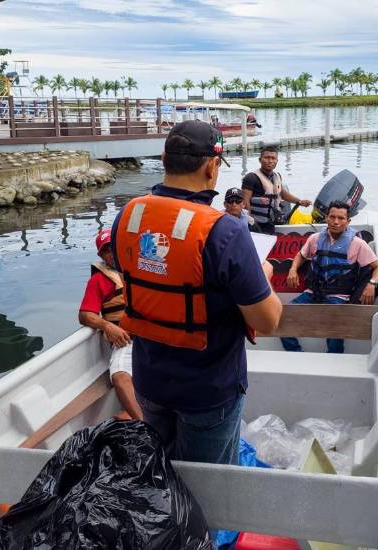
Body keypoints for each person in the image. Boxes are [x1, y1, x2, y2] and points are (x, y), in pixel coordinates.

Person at [112, 120, 282, 466]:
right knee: (207, 489)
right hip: (208, 390)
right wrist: (264, 273)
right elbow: (268, 322)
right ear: (211, 165)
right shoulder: (225, 231)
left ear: (164, 158)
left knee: (162, 473)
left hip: (149, 381)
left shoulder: (127, 217)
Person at [281, 200, 378, 354]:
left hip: (338, 296)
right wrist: (292, 269)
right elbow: (301, 255)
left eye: (341, 218)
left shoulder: (357, 244)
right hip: (313, 292)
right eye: (332, 217)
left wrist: (371, 284)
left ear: (348, 221)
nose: (336, 222)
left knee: (335, 325)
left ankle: (334, 357)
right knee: (283, 314)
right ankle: (295, 353)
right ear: (326, 218)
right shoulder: (315, 238)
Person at [78, 229, 143, 421]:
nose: (112, 253)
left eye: (115, 247)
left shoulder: (143, 269)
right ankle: (146, 423)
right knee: (120, 378)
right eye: (107, 250)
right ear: (100, 255)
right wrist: (107, 326)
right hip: (127, 341)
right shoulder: (98, 281)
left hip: (154, 337)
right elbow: (85, 315)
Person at [241, 146, 312, 234]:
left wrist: (299, 201)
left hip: (271, 222)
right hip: (256, 223)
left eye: (273, 158)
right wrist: (251, 222)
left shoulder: (277, 176)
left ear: (277, 161)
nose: (270, 161)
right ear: (260, 160)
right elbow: (245, 202)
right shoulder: (251, 178)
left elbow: (282, 193)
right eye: (266, 158)